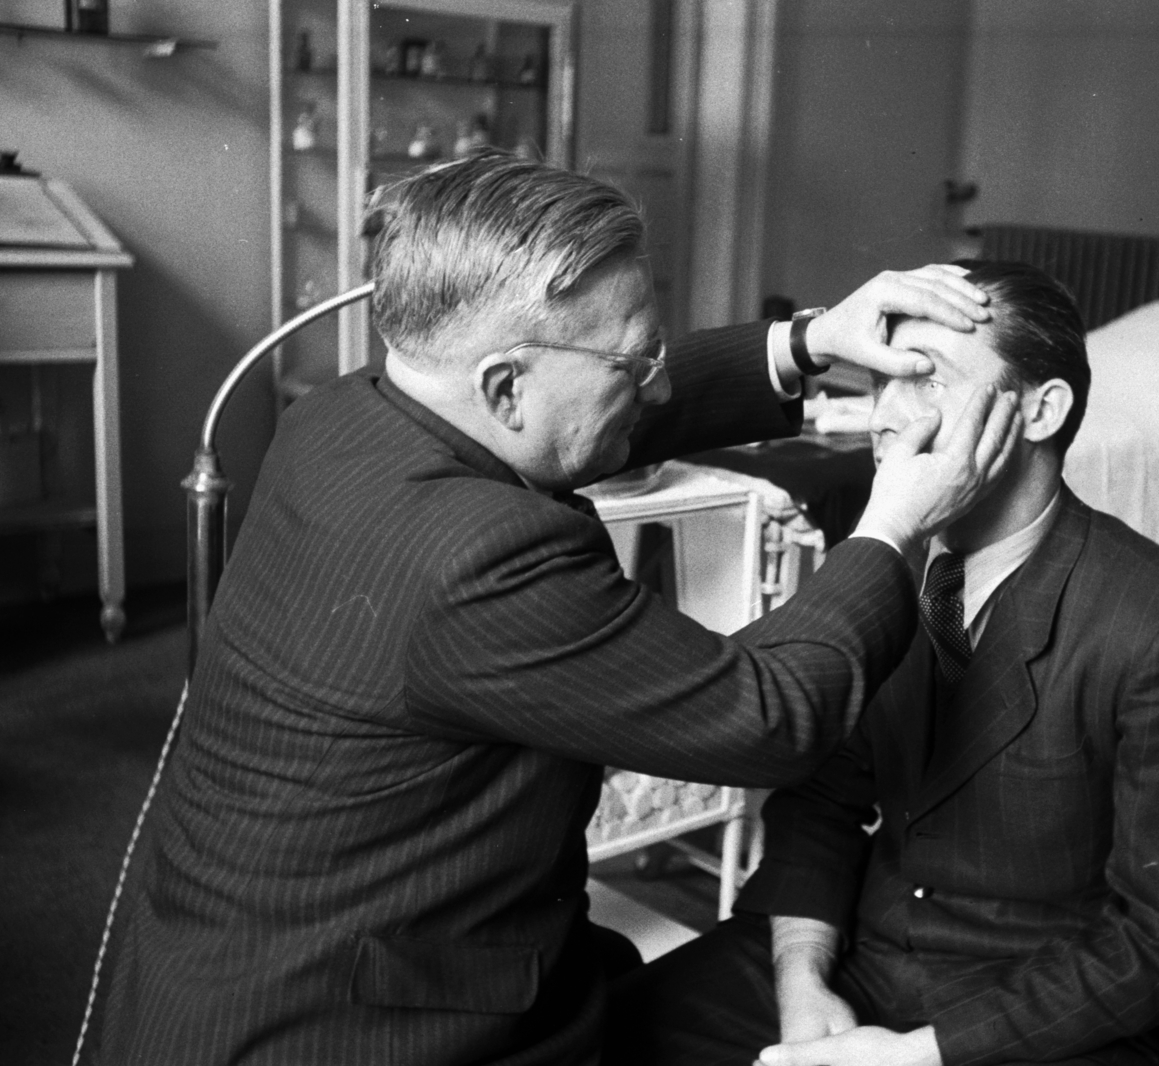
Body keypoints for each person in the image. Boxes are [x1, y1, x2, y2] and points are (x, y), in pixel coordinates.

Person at [88, 155, 1024, 1065]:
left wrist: (806, 343)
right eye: (634, 362)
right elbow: (771, 714)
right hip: (344, 1024)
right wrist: (897, 520)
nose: (654, 384)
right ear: (503, 383)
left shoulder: (342, 415)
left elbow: (590, 413)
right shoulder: (479, 558)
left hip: (220, 963)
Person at [607, 260, 1159, 1066]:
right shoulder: (888, 564)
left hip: (1045, 1011)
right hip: (863, 962)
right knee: (603, 1040)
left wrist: (919, 1055)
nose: (884, 416)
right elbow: (821, 806)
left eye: (926, 380)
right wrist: (801, 983)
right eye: (884, 380)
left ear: (1041, 411)